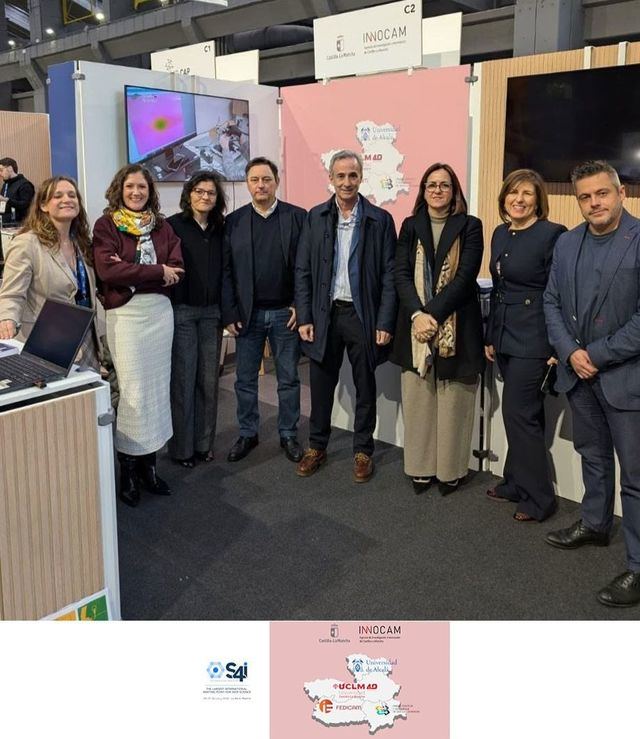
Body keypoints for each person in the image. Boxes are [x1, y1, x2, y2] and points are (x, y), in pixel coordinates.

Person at [543, 160, 640, 607]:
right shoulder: (567, 242)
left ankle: (638, 566)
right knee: (593, 456)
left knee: (635, 478)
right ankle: (596, 524)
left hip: (625, 379)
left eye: (602, 193)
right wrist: (570, 352)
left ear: (621, 194)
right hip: (578, 375)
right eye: (585, 196)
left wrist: (595, 355)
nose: (594, 202)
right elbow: (551, 301)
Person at [295, 149, 397, 483]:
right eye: (340, 176)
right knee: (321, 385)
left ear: (361, 177)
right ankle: (317, 447)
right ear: (331, 179)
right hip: (325, 314)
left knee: (365, 385)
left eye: (353, 175)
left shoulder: (380, 220)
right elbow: (303, 270)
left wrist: (385, 321)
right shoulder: (316, 216)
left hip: (362, 316)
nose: (347, 182)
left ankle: (363, 450)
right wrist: (305, 315)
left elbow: (390, 275)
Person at [93, 164, 184, 508]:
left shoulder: (162, 226)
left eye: (142, 187)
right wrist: (157, 271)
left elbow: (178, 267)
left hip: (159, 314)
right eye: (130, 186)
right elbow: (108, 270)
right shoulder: (106, 225)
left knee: (157, 391)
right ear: (120, 189)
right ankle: (128, 472)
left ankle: (150, 469)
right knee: (133, 392)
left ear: (150, 191)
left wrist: (135, 272)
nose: (136, 192)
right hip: (127, 316)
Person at [391, 162, 483, 495]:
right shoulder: (410, 225)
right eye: (431, 185)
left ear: (454, 190)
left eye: (444, 185)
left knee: (454, 400)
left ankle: (450, 471)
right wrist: (417, 315)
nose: (437, 190)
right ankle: (420, 467)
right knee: (419, 400)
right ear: (423, 190)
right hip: (415, 326)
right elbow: (401, 273)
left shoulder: (470, 226)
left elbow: (465, 277)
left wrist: (429, 314)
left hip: (457, 325)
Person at [484, 169, 566, 521]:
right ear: (504, 197)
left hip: (535, 337)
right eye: (513, 192)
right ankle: (516, 482)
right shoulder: (500, 232)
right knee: (523, 414)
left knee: (519, 414)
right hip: (504, 334)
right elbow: (499, 290)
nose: (518, 199)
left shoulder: (553, 234)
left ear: (538, 201)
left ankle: (539, 499)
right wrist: (491, 335)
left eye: (527, 194)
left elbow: (560, 292)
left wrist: (556, 346)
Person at [221, 157, 306, 463]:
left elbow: (305, 267)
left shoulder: (297, 217)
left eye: (266, 179)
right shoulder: (234, 222)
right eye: (255, 180)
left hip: (286, 313)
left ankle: (288, 433)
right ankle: (248, 432)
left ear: (276, 182)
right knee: (245, 379)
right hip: (248, 316)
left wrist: (300, 305)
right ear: (247, 184)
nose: (261, 185)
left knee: (288, 378)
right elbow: (226, 272)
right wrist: (230, 313)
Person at [0, 175, 99, 368]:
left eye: (72, 195)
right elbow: (12, 293)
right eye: (58, 196)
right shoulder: (26, 243)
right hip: (48, 341)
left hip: (85, 338)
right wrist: (7, 319)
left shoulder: (82, 242)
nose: (67, 200)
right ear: (43, 205)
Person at [166, 171, 226, 467]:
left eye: (211, 193)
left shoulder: (221, 227)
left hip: (213, 313)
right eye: (199, 191)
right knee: (183, 381)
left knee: (208, 381)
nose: (205, 197)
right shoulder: (172, 226)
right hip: (183, 312)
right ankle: (182, 449)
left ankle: (204, 445)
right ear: (189, 194)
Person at [0, 157, 35, 225]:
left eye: (1, 170)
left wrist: (6, 200)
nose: (0, 174)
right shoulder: (5, 185)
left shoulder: (25, 185)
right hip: (5, 223)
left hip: (19, 224)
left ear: (10, 168)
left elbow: (25, 205)